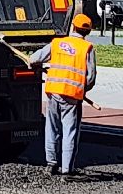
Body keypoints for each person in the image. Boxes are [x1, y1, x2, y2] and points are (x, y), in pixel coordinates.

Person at [28, 13, 97, 177]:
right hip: (72, 97)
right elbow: (91, 78)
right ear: (87, 32)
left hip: (54, 92)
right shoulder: (87, 48)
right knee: (70, 131)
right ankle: (67, 170)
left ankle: (51, 164)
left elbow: (35, 58)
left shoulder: (57, 43)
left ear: (72, 26)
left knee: (51, 128)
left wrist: (32, 62)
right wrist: (82, 89)